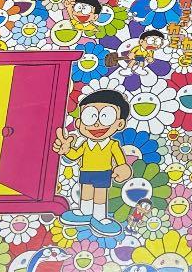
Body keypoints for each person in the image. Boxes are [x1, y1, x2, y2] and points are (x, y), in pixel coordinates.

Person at [53, 89, 132, 236]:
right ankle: (85, 213)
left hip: (103, 173)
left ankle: (100, 217)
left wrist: (122, 168)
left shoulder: (112, 145)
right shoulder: (85, 144)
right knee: (86, 193)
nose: (96, 124)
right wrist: (66, 150)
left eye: (105, 116)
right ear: (79, 123)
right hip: (86, 171)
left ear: (120, 123)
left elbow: (120, 162)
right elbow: (75, 155)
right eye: (90, 116)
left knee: (100, 195)